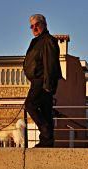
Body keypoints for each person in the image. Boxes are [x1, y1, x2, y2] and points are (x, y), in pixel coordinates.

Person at [23, 14, 62, 148]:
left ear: (44, 24)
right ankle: (47, 141)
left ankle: (45, 132)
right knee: (45, 110)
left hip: (42, 81)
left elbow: (50, 64)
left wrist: (49, 85)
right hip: (37, 80)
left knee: (30, 104)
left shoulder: (48, 40)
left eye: (36, 25)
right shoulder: (36, 41)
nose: (34, 28)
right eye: (31, 26)